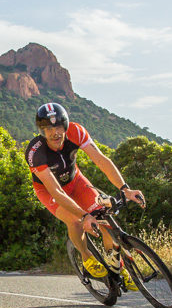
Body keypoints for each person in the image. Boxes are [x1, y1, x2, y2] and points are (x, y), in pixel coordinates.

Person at [26, 102, 145, 289]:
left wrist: (125, 189)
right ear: (41, 131)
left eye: (58, 126)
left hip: (76, 181)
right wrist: (84, 216)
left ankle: (118, 267)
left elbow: (101, 160)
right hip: (50, 191)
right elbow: (56, 191)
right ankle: (87, 258)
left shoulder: (77, 132)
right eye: (48, 128)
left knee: (104, 217)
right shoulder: (35, 152)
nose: (54, 133)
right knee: (74, 221)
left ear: (65, 125)